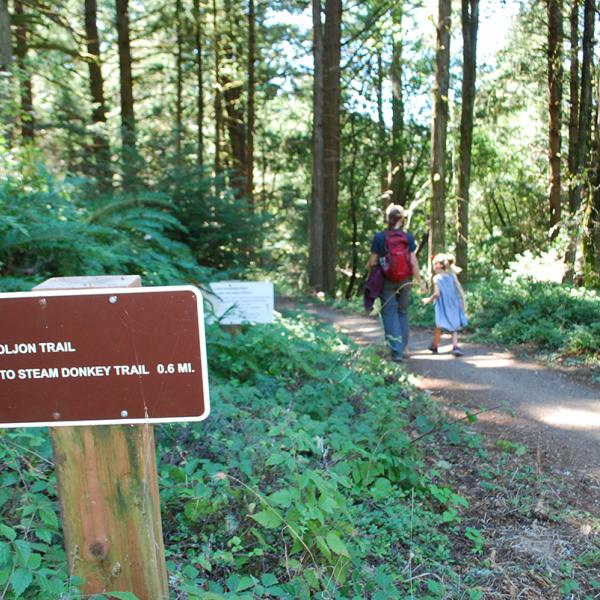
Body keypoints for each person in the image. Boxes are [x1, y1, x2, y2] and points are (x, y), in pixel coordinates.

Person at [367, 203, 424, 362]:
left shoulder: (380, 237)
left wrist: (370, 275)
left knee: (389, 313)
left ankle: (396, 351)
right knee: (403, 312)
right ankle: (404, 347)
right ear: (402, 220)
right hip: (405, 280)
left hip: (387, 280)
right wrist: (419, 281)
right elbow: (413, 261)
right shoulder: (408, 237)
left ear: (388, 219)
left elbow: (373, 261)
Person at [421, 253, 468, 356]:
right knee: (454, 325)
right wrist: (463, 300)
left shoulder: (436, 278)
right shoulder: (452, 275)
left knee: (439, 325)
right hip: (453, 302)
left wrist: (428, 300)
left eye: (434, 264)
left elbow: (437, 294)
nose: (433, 267)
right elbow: (460, 289)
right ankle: (455, 347)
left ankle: (435, 346)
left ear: (438, 265)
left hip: (442, 304)